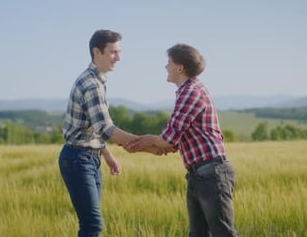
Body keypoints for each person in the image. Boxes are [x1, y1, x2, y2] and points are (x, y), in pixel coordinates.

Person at [125, 43, 240, 237]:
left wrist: (143, 142)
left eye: (169, 62)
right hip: (200, 174)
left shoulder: (191, 92)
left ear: (180, 67)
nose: (165, 67)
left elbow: (170, 139)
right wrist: (148, 145)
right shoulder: (187, 91)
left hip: (211, 173)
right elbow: (175, 142)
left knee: (224, 234)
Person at [58, 29, 161, 237]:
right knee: (92, 225)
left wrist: (107, 155)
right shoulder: (91, 84)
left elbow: (95, 128)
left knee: (90, 225)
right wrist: (151, 146)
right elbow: (107, 129)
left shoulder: (97, 81)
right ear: (97, 52)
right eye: (113, 52)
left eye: (119, 51)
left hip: (88, 158)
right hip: (78, 160)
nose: (119, 58)